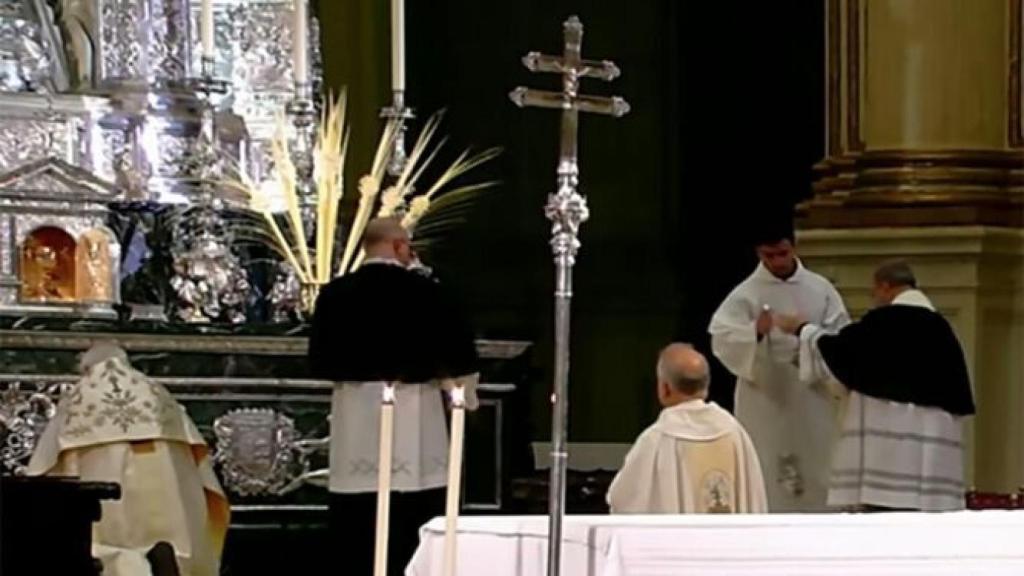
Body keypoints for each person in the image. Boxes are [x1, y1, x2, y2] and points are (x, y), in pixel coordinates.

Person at [308, 217, 479, 576]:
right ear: (401, 247)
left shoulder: (336, 293)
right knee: (414, 506)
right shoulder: (427, 292)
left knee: (359, 513)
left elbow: (320, 358)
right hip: (416, 408)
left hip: (356, 409)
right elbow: (457, 352)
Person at [776, 260, 975, 511]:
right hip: (931, 454)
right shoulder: (941, 328)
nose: (875, 298)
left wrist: (801, 329)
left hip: (884, 456)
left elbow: (841, 352)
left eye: (874, 292)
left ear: (885, 286)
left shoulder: (882, 322)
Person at [26, 342, 229, 576]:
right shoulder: (155, 392)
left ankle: (128, 566)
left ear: (87, 368)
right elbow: (192, 445)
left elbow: (46, 460)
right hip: (166, 482)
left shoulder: (82, 395)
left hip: (103, 478)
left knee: (108, 546)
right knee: (176, 533)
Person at [708, 227, 849, 511]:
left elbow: (841, 338)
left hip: (810, 393)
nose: (777, 261)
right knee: (766, 466)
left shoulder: (820, 290)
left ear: (794, 247)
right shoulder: (746, 294)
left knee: (817, 464)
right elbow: (722, 338)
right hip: (765, 396)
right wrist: (754, 333)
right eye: (768, 255)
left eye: (782, 253)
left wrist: (809, 337)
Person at [607, 344, 767, 513]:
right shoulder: (735, 433)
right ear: (706, 387)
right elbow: (755, 496)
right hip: (730, 539)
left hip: (680, 540)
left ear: (665, 389)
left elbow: (623, 500)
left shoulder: (656, 439)